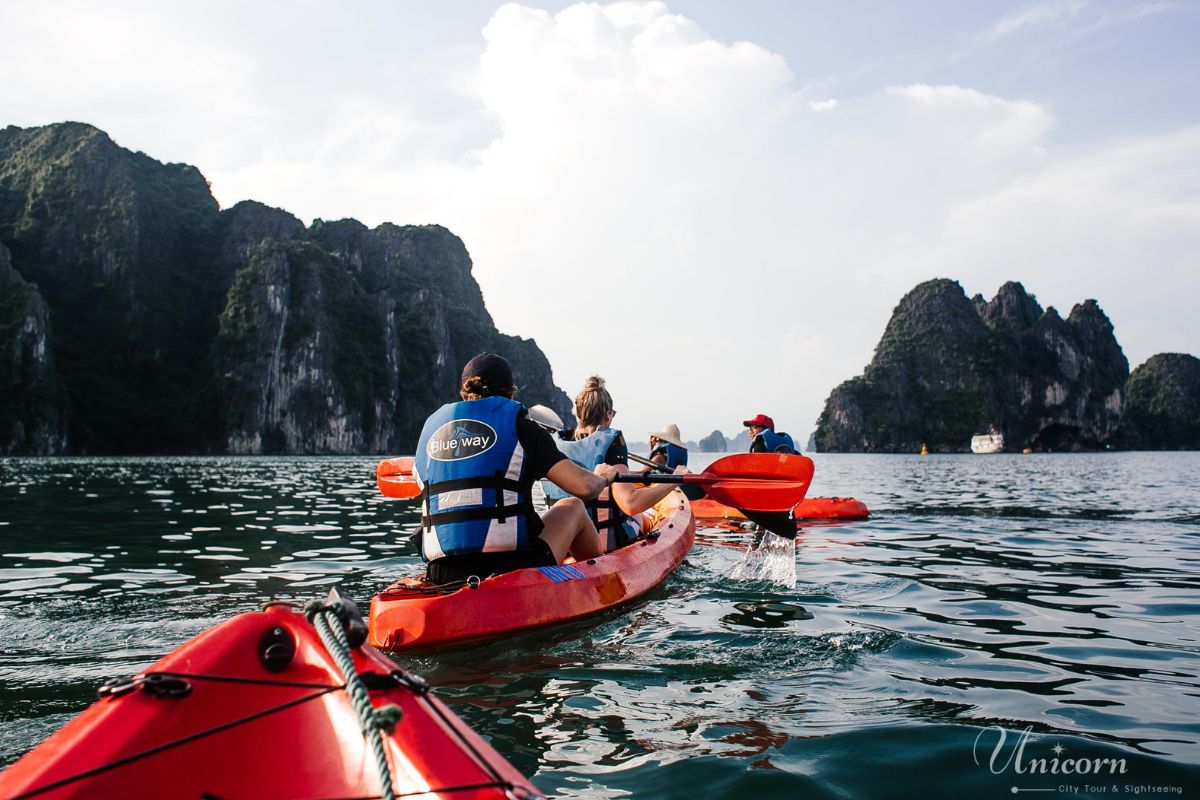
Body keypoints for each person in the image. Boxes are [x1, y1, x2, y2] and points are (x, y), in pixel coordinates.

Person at [414, 353, 620, 585]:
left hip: (441, 572)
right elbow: (584, 487)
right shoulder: (522, 428)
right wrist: (603, 477)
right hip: (510, 567)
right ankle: (597, 584)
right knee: (572, 506)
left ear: (464, 391)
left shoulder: (431, 434)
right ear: (510, 391)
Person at [544, 376, 686, 552]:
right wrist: (674, 481)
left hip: (564, 547)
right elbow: (630, 504)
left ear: (578, 414)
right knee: (644, 517)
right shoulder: (612, 441)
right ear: (608, 414)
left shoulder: (554, 443)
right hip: (607, 544)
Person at [649, 423, 705, 501]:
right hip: (677, 486)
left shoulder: (659, 457)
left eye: (655, 439)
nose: (652, 441)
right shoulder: (676, 452)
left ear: (659, 440)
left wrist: (626, 474)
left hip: (667, 489)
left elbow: (642, 472)